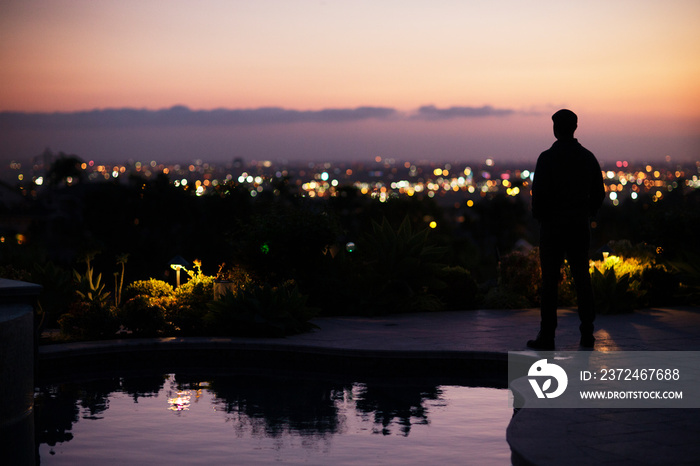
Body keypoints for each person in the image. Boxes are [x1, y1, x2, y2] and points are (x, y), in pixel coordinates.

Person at [528, 109, 605, 350]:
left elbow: (538, 195)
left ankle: (547, 336)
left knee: (550, 283)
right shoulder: (587, 157)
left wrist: (542, 218)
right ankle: (587, 334)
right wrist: (586, 213)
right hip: (578, 227)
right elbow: (599, 193)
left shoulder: (547, 158)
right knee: (582, 279)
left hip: (552, 228)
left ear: (555, 128)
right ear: (575, 128)